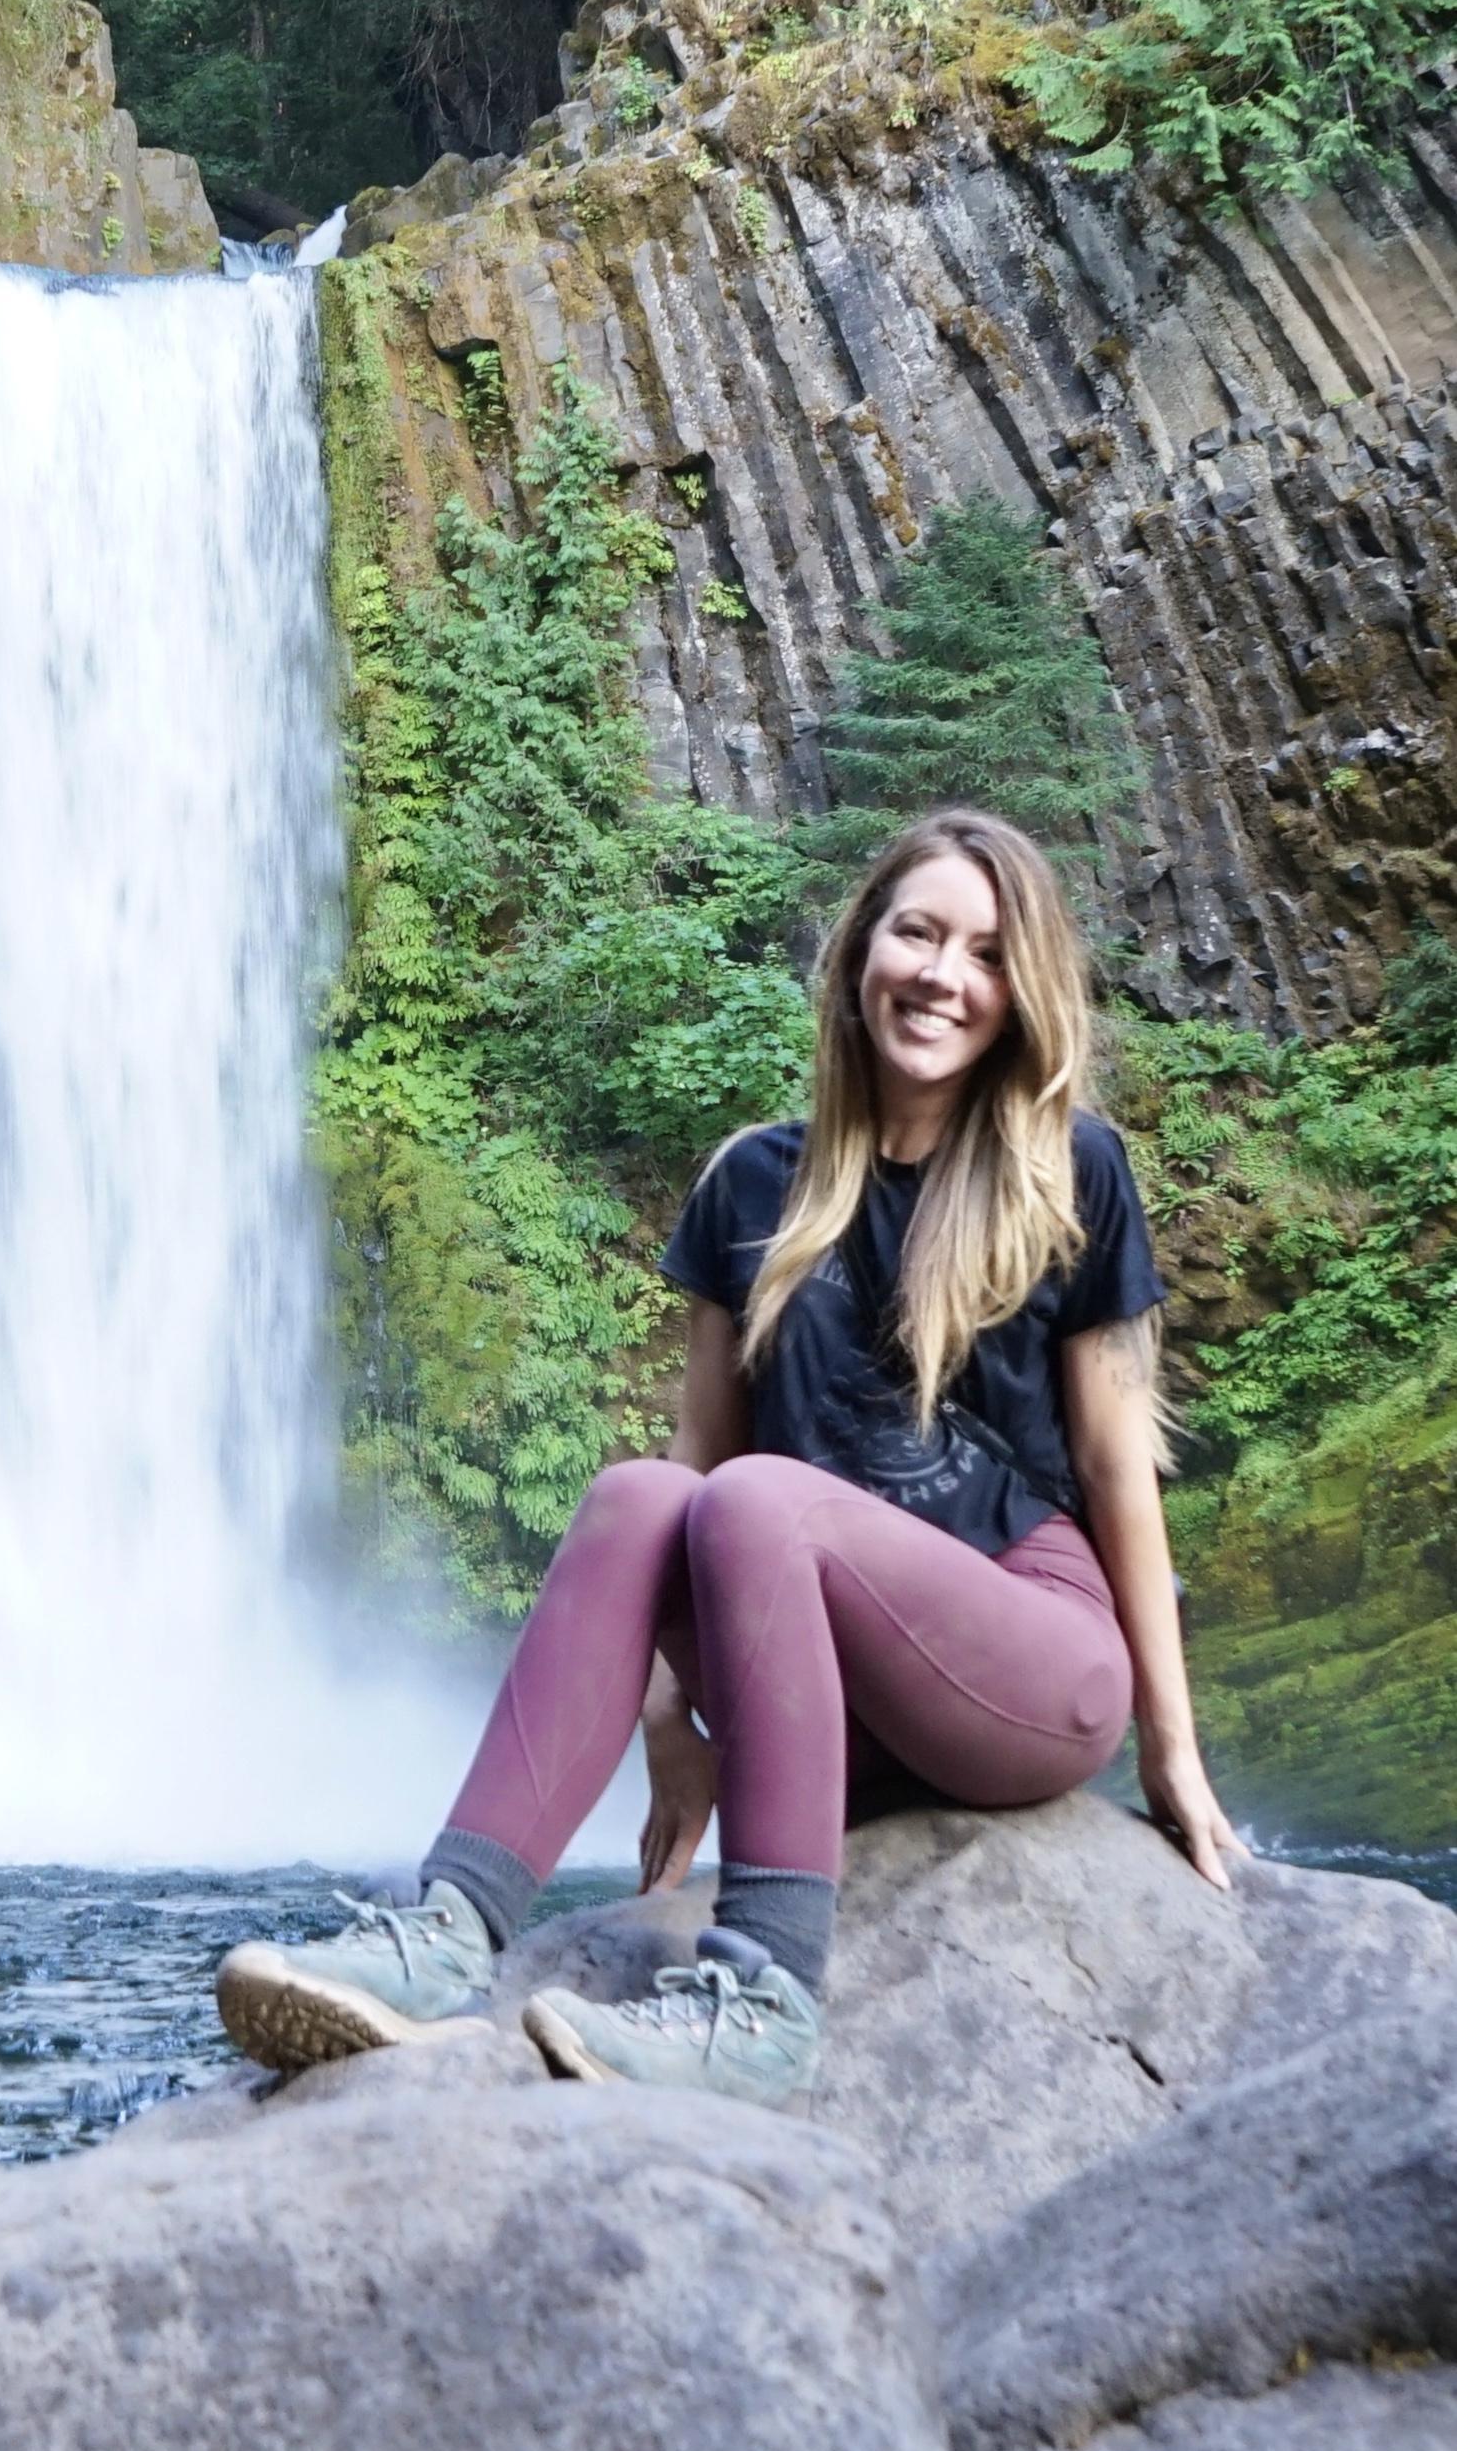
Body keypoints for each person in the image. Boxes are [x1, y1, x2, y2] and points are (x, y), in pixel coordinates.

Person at [214, 804, 1247, 2106]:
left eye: (983, 953)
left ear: (1018, 992)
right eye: (915, 931)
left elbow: (1112, 1474)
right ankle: (441, 1934)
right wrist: (667, 1725)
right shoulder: (750, 1185)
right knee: (644, 1492)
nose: (940, 972)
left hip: (1018, 1662)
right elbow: (687, 1482)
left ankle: (761, 1998)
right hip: (814, 1692)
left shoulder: (1066, 1171)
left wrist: (1172, 1750)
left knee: (756, 1501)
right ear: (857, 950)